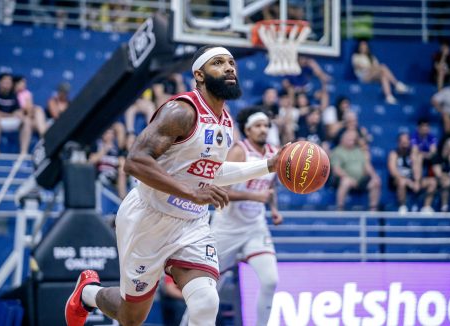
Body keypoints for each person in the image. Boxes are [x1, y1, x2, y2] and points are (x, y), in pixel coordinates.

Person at [65, 45, 286, 326]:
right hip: (148, 218)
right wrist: (191, 191)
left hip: (191, 224)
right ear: (200, 75)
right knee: (130, 318)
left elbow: (213, 172)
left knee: (207, 303)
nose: (230, 67)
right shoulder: (180, 111)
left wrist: (268, 164)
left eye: (231, 62)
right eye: (218, 63)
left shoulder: (227, 121)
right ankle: (88, 293)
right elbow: (135, 162)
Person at [211, 107, 282, 326]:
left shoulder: (274, 152)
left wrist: (273, 209)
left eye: (266, 126)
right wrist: (255, 196)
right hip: (226, 228)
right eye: (258, 126)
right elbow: (220, 190)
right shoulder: (238, 151)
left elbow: (270, 187)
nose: (263, 130)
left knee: (271, 281)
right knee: (207, 288)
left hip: (255, 228)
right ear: (247, 130)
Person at [0, 73, 33, 155]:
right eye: (5, 82)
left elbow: (18, 111)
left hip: (5, 120)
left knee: (26, 121)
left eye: (9, 82)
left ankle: (23, 152)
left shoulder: (13, 95)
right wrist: (11, 115)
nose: (7, 84)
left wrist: (20, 114)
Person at [330, 130, 381, 211]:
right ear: (343, 139)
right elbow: (336, 169)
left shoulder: (358, 150)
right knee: (345, 181)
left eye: (353, 140)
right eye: (349, 139)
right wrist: (348, 178)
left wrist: (374, 175)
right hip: (344, 179)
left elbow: (367, 165)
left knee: (376, 181)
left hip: (360, 180)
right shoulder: (337, 151)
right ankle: (340, 208)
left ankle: (373, 209)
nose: (352, 141)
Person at [388, 133, 437, 214]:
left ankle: (426, 207)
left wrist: (417, 182)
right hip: (398, 181)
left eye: (406, 142)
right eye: (402, 142)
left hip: (413, 180)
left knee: (432, 182)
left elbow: (417, 169)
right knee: (402, 181)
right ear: (398, 142)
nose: (405, 144)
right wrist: (408, 181)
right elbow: (393, 171)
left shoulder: (414, 154)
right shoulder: (394, 153)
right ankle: (402, 206)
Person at [351, 40, 409, 104]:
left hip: (372, 75)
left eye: (365, 46)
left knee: (383, 75)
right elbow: (361, 66)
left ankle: (388, 96)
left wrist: (373, 68)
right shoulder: (356, 56)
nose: (363, 47)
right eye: (362, 46)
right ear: (359, 47)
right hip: (363, 77)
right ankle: (396, 84)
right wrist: (372, 68)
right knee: (382, 67)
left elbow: (376, 66)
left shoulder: (372, 57)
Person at [88, 127, 128, 199]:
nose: (109, 135)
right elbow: (91, 161)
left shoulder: (116, 149)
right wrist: (104, 150)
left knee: (122, 165)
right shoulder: (96, 145)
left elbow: (122, 161)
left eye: (111, 133)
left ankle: (123, 197)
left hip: (114, 175)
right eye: (107, 133)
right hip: (99, 175)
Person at [432, 137, 450, 212]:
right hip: (440, 181)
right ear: (446, 147)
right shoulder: (437, 157)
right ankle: (444, 207)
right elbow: (438, 174)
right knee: (446, 182)